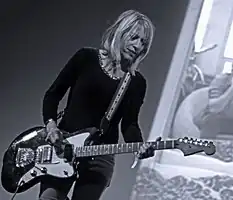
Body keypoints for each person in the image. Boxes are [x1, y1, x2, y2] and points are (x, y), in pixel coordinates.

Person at [40, 10, 156, 200]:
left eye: (143, 43)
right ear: (120, 31)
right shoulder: (86, 58)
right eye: (134, 38)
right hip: (64, 147)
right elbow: (52, 95)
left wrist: (139, 146)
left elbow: (129, 125)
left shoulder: (136, 82)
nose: (137, 46)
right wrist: (52, 128)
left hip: (100, 155)